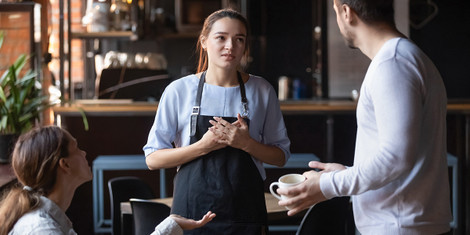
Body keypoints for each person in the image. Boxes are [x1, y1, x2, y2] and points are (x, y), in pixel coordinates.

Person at [277, 0, 452, 234]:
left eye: (335, 12)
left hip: (397, 227)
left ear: (347, 12)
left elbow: (395, 158)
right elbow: (398, 156)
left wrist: (326, 185)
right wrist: (345, 174)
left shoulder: (393, 63)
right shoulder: (404, 57)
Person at [143, 8, 291, 234]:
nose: (230, 46)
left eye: (239, 39)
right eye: (221, 37)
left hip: (245, 216)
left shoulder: (262, 90)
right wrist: (202, 147)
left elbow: (281, 157)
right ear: (204, 41)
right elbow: (153, 159)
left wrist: (246, 143)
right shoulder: (179, 91)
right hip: (189, 216)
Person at [0, 126, 215, 235]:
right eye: (76, 148)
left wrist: (170, 226)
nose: (84, 153)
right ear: (64, 165)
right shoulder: (42, 229)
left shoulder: (52, 220)